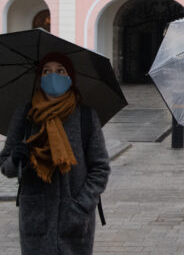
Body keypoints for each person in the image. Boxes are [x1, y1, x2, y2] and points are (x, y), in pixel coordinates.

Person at [0, 52, 110, 255]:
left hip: (76, 219)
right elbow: (5, 165)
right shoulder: (25, 115)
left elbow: (100, 168)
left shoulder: (86, 116)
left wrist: (81, 206)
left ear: (70, 78)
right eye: (46, 71)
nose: (53, 76)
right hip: (36, 218)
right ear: (39, 78)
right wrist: (16, 159)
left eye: (60, 71)